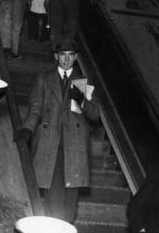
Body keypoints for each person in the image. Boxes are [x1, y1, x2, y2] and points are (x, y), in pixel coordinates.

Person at [14, 43, 100, 223]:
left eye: (70, 55)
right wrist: (27, 128)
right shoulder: (44, 79)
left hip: (74, 149)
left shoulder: (83, 82)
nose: (66, 59)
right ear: (56, 57)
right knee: (54, 201)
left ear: (76, 57)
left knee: (70, 204)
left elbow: (94, 115)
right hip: (50, 146)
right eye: (63, 55)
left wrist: (82, 102)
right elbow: (35, 108)